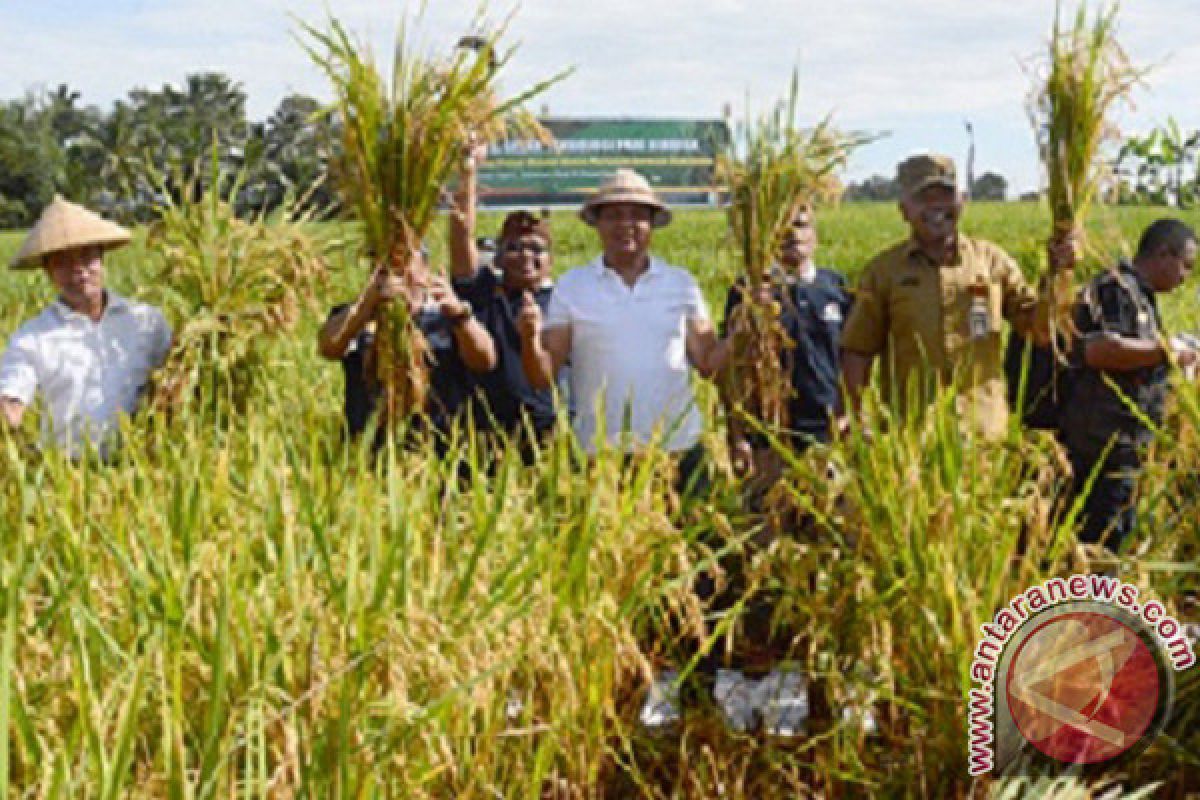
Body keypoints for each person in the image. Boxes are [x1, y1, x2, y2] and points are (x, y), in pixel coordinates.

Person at [518, 168, 731, 730]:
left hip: (679, 453)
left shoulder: (680, 284)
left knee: (694, 574)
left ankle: (696, 690)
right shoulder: (574, 287)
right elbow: (543, 375)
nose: (626, 224)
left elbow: (708, 363)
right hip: (605, 457)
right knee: (616, 580)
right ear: (598, 223)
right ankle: (622, 693)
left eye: (637, 214)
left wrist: (751, 323)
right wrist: (527, 335)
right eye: (614, 214)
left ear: (652, 223)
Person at [709, 206, 852, 736]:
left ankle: (828, 682)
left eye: (802, 226)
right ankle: (765, 684)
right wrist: (736, 434)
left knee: (829, 563)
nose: (793, 236)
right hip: (769, 448)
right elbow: (728, 372)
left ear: (816, 234)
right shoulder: (749, 293)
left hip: (826, 450)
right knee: (763, 567)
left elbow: (856, 362)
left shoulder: (837, 291)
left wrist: (852, 414)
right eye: (782, 228)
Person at [840, 154, 1070, 438]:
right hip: (912, 438)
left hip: (983, 435)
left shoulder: (992, 262)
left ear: (962, 201)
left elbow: (1039, 331)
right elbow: (857, 350)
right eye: (925, 197)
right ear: (904, 209)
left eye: (946, 195)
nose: (938, 206)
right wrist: (854, 415)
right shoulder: (884, 272)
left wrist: (1057, 274)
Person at [1059, 219, 1197, 551]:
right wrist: (1169, 352)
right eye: (1186, 265)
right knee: (1101, 545)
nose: (1186, 276)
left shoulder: (1138, 296)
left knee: (1108, 538)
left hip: (1122, 447)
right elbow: (1100, 350)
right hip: (1103, 448)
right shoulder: (1116, 288)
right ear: (1163, 254)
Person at [0, 196, 171, 458]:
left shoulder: (146, 322)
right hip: (70, 476)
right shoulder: (32, 340)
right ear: (48, 271)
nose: (79, 271)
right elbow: (12, 395)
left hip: (143, 468)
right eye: (63, 262)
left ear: (101, 258)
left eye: (87, 256)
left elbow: (177, 378)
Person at [317, 247, 497, 448]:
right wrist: (365, 309)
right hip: (368, 448)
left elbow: (485, 361)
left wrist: (459, 315)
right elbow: (329, 347)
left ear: (425, 270)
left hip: (439, 447)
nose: (396, 270)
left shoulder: (446, 313)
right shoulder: (356, 315)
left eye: (405, 261)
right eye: (385, 264)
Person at [447, 143, 559, 447]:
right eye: (513, 247)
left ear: (551, 260)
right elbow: (461, 233)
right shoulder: (482, 294)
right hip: (484, 437)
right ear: (497, 257)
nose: (525, 255)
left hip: (547, 435)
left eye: (536, 248)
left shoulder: (565, 302)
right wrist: (468, 172)